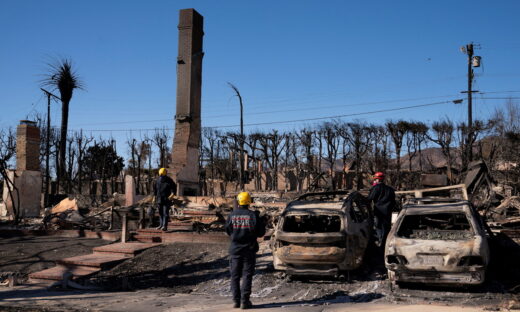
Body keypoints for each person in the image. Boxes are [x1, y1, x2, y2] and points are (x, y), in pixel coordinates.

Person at [225, 192, 265, 309]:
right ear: (249, 201)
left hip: (235, 249)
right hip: (249, 249)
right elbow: (261, 233)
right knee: (247, 275)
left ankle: (236, 301)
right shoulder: (253, 215)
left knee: (235, 276)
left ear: (238, 201)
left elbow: (228, 231)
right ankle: (244, 301)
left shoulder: (232, 215)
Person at [368, 172, 396, 247]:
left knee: (378, 227)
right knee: (387, 227)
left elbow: (369, 199)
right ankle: (386, 242)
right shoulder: (390, 189)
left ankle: (380, 242)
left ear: (377, 180)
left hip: (378, 212)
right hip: (387, 212)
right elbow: (393, 202)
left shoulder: (375, 188)